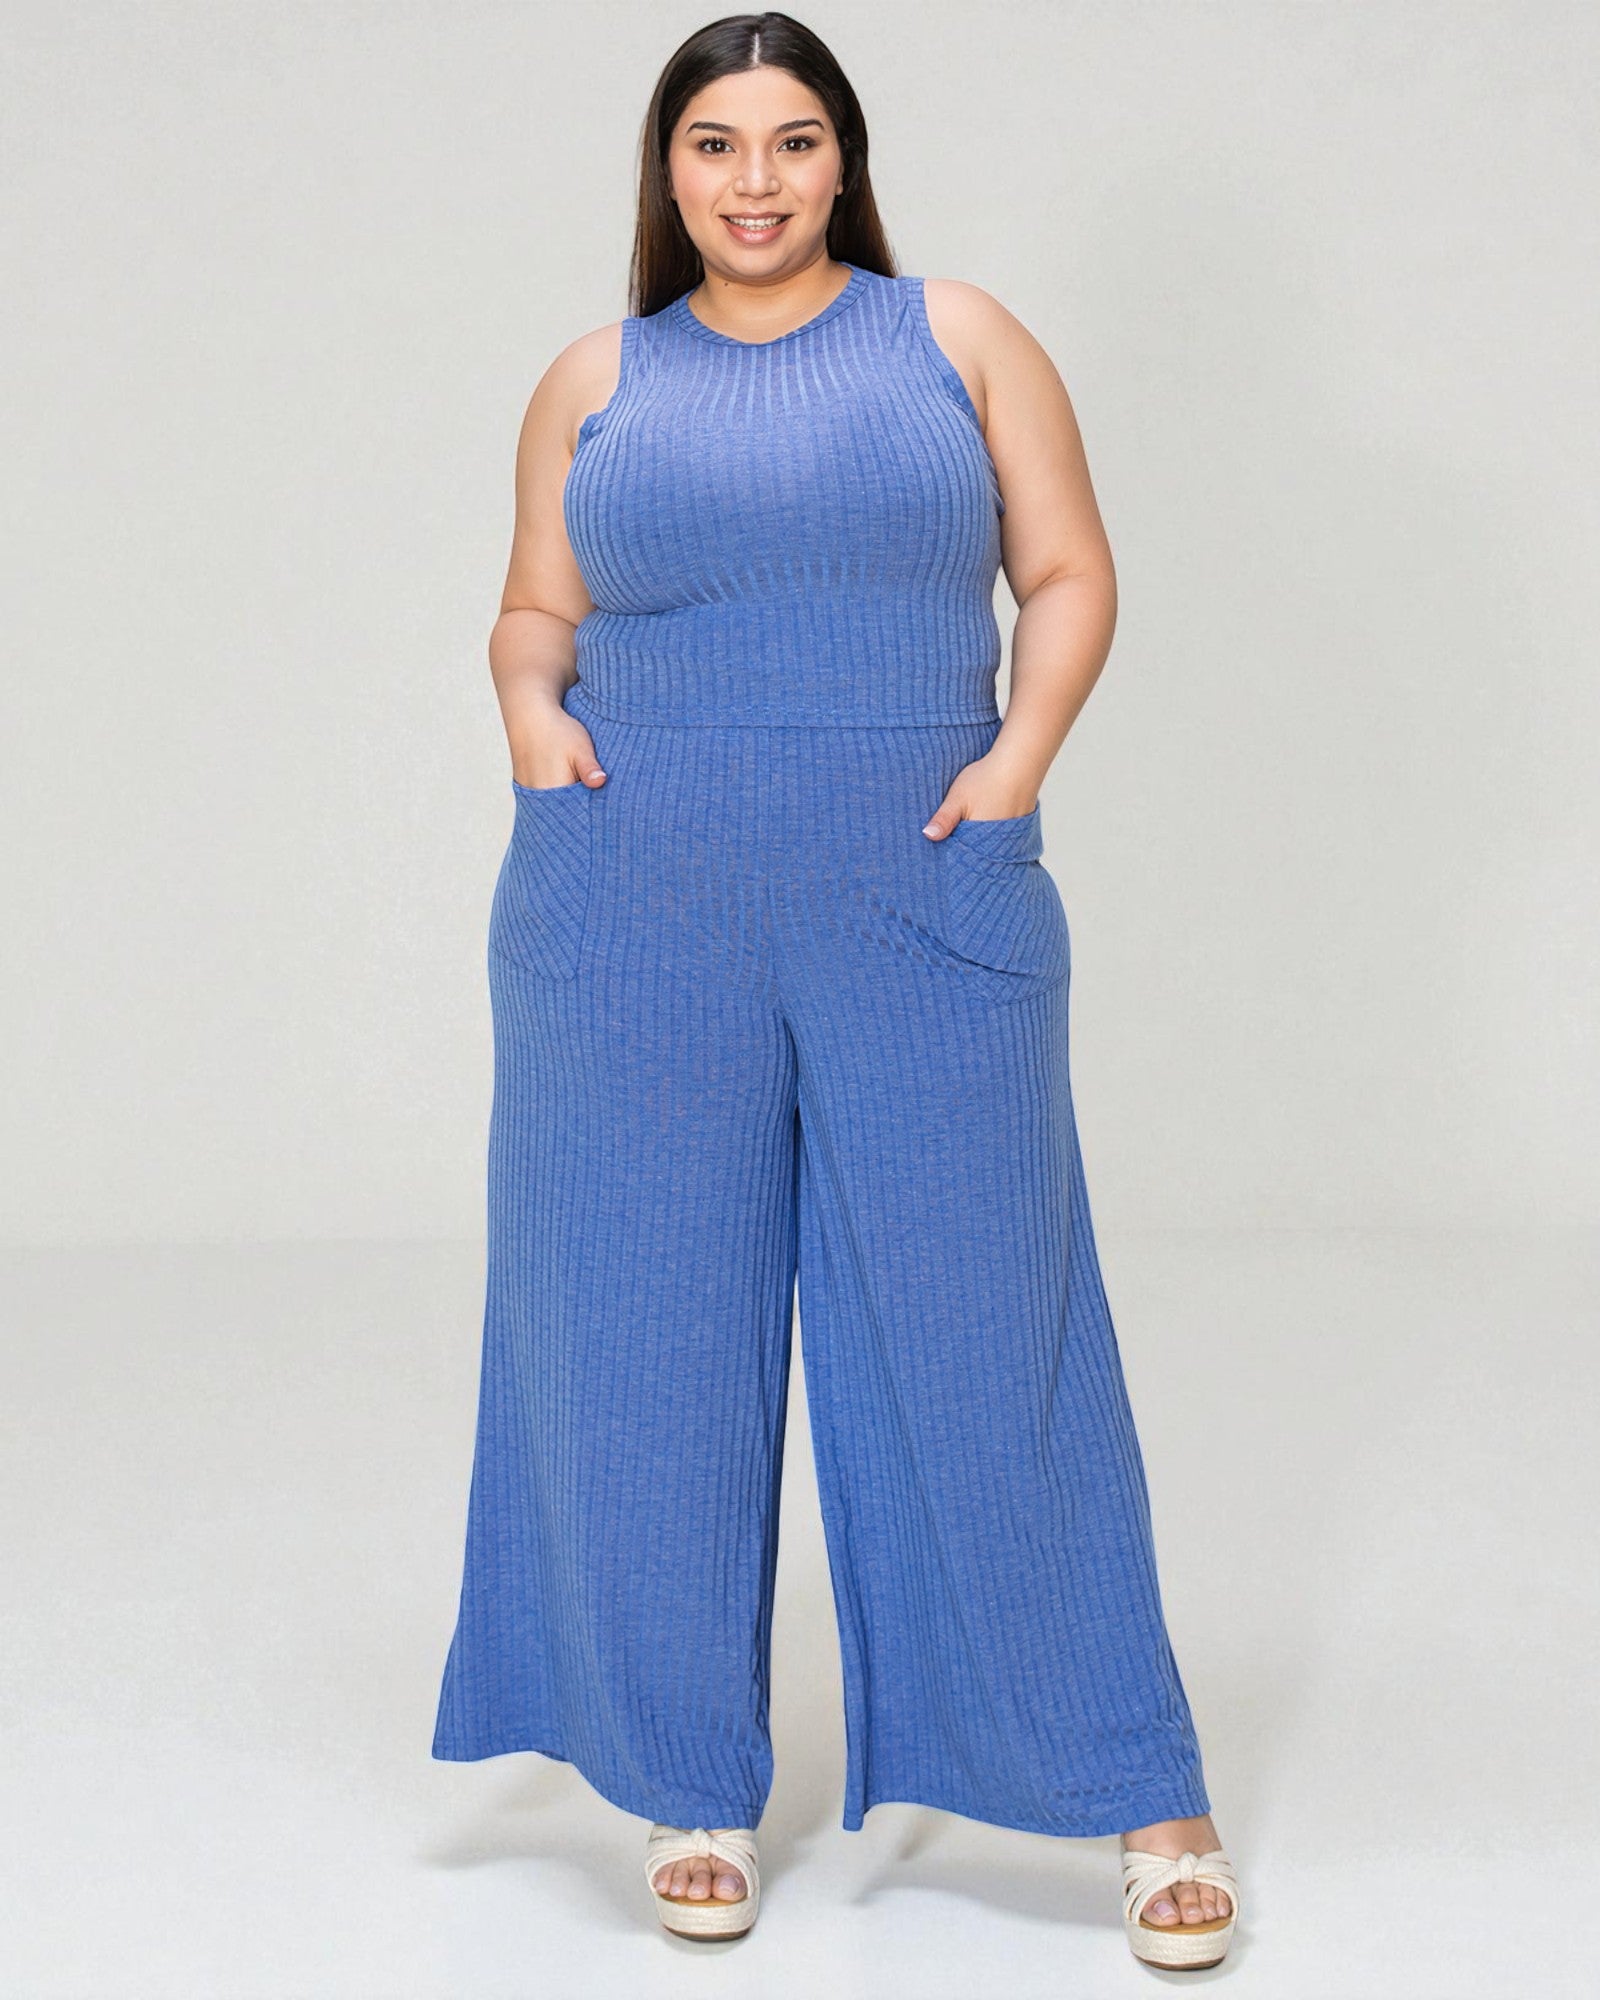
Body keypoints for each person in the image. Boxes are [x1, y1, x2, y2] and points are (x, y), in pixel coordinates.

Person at [431, 11, 1241, 1969]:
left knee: (991, 1334)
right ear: (669, 170)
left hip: (920, 886)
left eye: (793, 141)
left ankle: (1139, 1786)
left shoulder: (955, 339)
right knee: (641, 1338)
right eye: (715, 144)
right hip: (629, 901)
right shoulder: (596, 379)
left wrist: (1014, 765)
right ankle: (683, 1774)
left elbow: (1067, 571)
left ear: (843, 162)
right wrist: (529, 711)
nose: (756, 180)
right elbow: (535, 605)